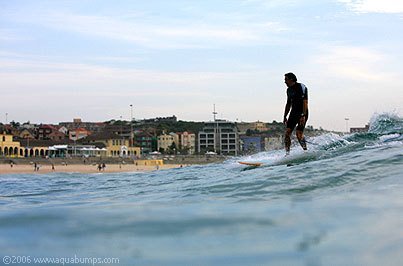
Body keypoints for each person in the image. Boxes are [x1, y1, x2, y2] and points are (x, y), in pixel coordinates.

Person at [283, 72, 309, 155]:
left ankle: (305, 151)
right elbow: (288, 104)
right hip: (293, 113)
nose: (285, 82)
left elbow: (305, 102)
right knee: (287, 134)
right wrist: (285, 116)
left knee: (299, 134)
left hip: (302, 112)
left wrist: (303, 115)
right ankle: (287, 154)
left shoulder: (301, 86)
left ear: (291, 79)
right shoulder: (288, 90)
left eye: (286, 79)